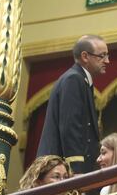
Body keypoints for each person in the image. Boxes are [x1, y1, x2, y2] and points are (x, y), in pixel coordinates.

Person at [37, 35, 109, 174]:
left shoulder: (80, 79)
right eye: (102, 56)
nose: (107, 60)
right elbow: (71, 127)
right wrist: (75, 170)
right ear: (85, 56)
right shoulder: (74, 79)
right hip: (61, 171)